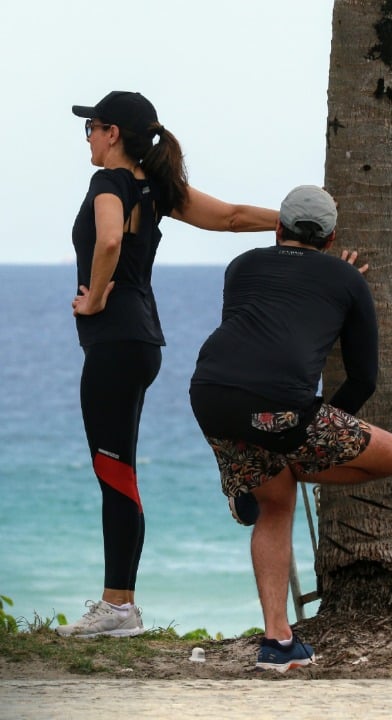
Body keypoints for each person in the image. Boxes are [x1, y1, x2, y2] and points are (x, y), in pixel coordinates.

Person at [59, 90, 280, 638]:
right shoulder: (156, 188)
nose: (87, 136)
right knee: (119, 470)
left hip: (115, 341)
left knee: (114, 472)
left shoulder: (107, 183)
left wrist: (93, 297)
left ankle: (118, 608)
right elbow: (230, 218)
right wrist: (298, 224)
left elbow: (108, 239)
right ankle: (119, 604)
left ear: (113, 134)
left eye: (92, 127)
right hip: (142, 343)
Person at [188, 185, 392, 671]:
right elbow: (364, 376)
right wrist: (320, 430)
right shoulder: (347, 278)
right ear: (330, 240)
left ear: (280, 228)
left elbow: (253, 333)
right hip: (281, 410)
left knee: (276, 502)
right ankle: (275, 470)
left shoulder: (242, 265)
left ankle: (278, 643)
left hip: (210, 393)